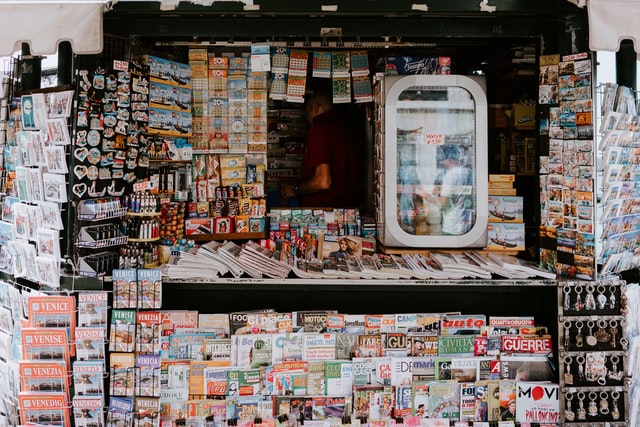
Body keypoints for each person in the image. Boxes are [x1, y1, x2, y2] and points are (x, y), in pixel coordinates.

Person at [281, 90, 361, 207]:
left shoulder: (319, 130)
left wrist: (294, 189)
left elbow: (323, 182)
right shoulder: (349, 132)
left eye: (307, 114)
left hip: (324, 213)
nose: (308, 120)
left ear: (315, 107)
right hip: (349, 210)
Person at [426, 145, 473, 235]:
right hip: (466, 225)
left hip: (452, 226)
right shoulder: (468, 172)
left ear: (449, 160)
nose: (443, 162)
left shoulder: (450, 175)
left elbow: (444, 203)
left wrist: (428, 197)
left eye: (443, 159)